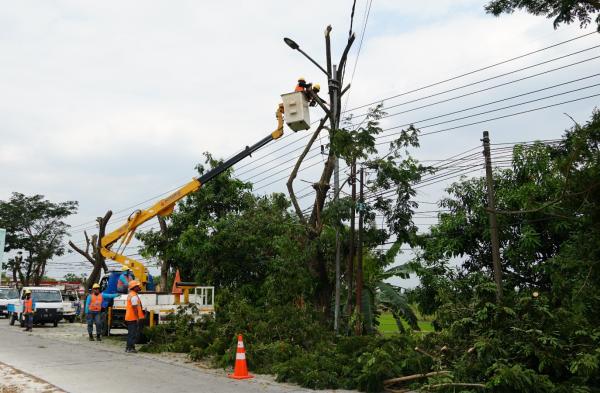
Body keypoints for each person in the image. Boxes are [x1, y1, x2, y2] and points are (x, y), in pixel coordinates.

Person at [125, 280, 144, 353]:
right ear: (134, 287)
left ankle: (128, 347)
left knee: (131, 333)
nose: (139, 287)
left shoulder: (131, 294)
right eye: (137, 286)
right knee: (132, 334)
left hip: (130, 317)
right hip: (132, 317)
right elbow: (135, 307)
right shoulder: (134, 296)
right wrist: (137, 317)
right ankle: (130, 348)